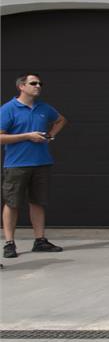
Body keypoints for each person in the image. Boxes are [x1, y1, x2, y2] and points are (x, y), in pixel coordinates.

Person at [1, 72, 67, 258]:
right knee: (12, 203)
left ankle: (40, 240)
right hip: (16, 164)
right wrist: (27, 136)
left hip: (41, 162)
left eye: (39, 83)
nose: (38, 86)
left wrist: (51, 134)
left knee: (38, 202)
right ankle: (9, 242)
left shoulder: (43, 107)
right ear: (21, 86)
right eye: (33, 83)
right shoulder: (8, 109)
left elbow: (61, 120)